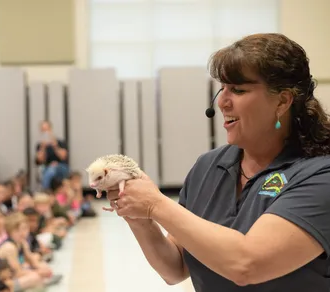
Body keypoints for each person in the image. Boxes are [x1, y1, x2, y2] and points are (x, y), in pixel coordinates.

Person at [105, 33, 330, 292]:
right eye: (222, 88)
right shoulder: (209, 166)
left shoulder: (320, 174)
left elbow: (248, 263)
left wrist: (156, 204)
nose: (222, 102)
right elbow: (175, 268)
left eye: (238, 90)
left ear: (282, 100)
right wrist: (139, 216)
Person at [35, 120, 69, 190]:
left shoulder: (60, 142)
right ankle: (47, 191)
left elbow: (63, 157)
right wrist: (43, 147)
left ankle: (45, 191)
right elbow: (39, 160)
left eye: (46, 130)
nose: (45, 133)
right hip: (46, 167)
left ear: (50, 130)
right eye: (43, 130)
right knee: (45, 169)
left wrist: (55, 145)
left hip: (61, 167)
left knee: (51, 169)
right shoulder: (40, 145)